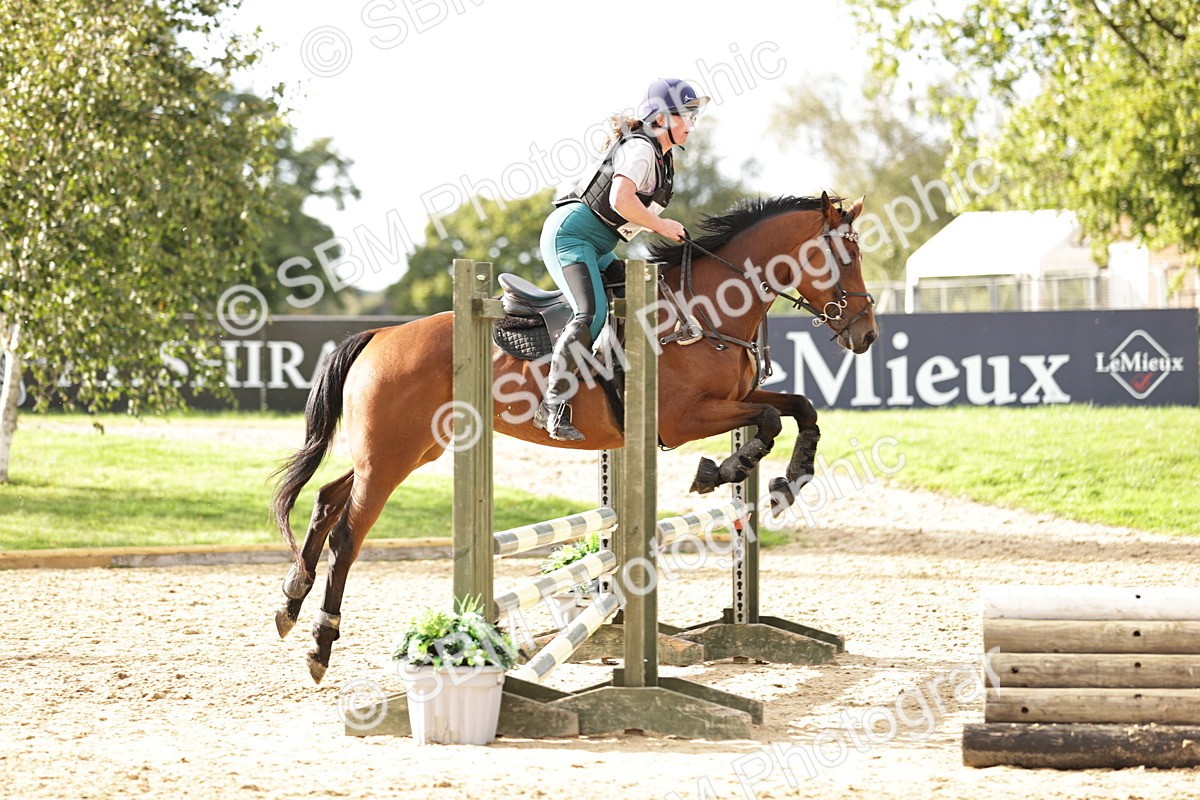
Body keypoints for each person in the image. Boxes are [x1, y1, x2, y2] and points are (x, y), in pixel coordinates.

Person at [534, 77, 709, 441]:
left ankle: (612, 379)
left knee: (646, 295)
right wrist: (661, 226)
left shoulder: (664, 156)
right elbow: (620, 201)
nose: (691, 124)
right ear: (660, 118)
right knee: (592, 313)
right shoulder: (642, 150)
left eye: (694, 116)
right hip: (570, 237)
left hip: (598, 244)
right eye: (686, 116)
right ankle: (552, 405)